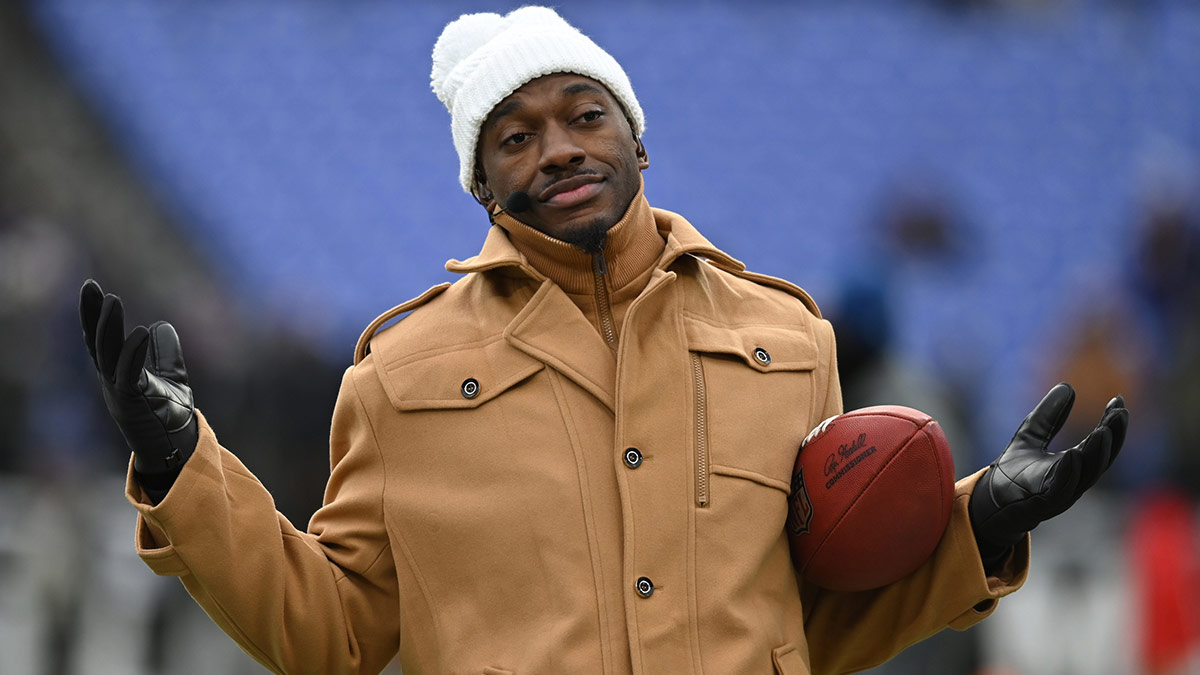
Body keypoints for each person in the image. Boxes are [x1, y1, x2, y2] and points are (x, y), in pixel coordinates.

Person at [78, 7, 1129, 674]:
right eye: (517, 137)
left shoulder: (788, 339)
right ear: (482, 183)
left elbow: (809, 625)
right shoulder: (398, 377)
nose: (561, 148)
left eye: (585, 114)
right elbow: (334, 636)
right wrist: (183, 469)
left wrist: (975, 521)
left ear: (636, 133)